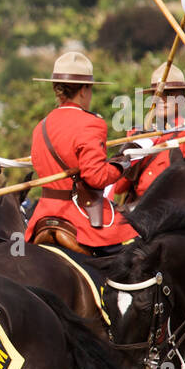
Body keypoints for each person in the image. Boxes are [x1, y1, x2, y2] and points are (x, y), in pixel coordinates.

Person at [25, 51, 138, 254]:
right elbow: (96, 177)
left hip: (43, 213)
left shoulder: (40, 126)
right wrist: (122, 164)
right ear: (84, 90)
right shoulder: (90, 123)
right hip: (78, 215)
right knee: (137, 246)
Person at [115, 63, 185, 200]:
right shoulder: (137, 133)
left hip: (174, 210)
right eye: (157, 94)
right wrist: (132, 151)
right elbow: (118, 187)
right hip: (139, 210)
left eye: (169, 94)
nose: (162, 100)